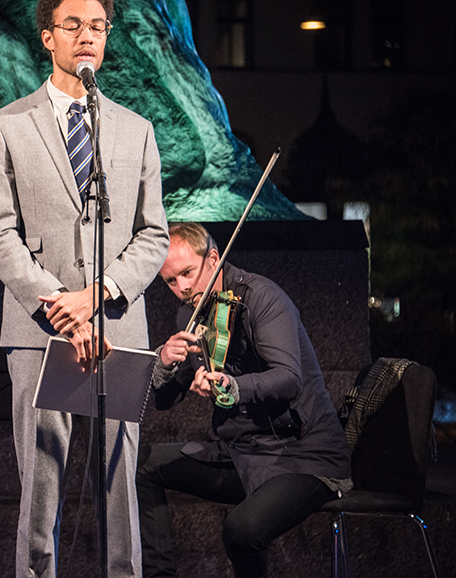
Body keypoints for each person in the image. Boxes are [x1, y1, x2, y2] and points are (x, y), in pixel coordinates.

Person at [0, 0, 170, 578]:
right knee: (40, 483)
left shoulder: (136, 130)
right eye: (73, 26)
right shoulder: (8, 125)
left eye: (97, 27)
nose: (87, 37)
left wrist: (98, 294)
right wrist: (57, 300)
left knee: (118, 481)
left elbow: (154, 234)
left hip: (115, 323)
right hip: (41, 331)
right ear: (47, 37)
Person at [136, 222, 352, 578]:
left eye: (188, 273)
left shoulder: (262, 297)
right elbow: (165, 400)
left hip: (301, 455)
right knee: (141, 464)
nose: (183, 288)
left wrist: (232, 385)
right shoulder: (190, 315)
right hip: (242, 453)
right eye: (171, 281)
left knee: (242, 530)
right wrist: (164, 364)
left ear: (214, 259)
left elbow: (288, 378)